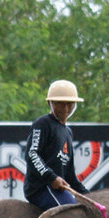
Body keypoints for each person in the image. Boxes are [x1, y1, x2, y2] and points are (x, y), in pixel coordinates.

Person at [23, 79, 89, 209]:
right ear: (50, 103)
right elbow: (32, 154)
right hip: (41, 188)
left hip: (58, 189)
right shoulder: (42, 124)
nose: (65, 108)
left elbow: (69, 174)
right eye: (60, 103)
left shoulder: (68, 132)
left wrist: (87, 195)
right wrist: (51, 177)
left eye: (69, 104)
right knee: (71, 212)